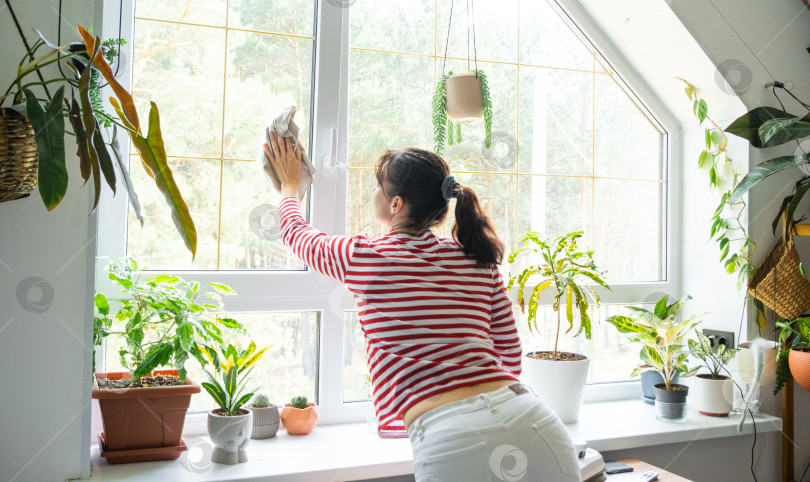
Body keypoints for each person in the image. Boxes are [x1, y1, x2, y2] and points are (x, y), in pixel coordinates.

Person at [263, 132, 581, 482]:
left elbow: (296, 234)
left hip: (453, 438)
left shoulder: (366, 257)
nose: (372, 193)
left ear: (396, 204)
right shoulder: (475, 258)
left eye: (377, 186)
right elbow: (508, 351)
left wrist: (290, 186)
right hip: (534, 421)